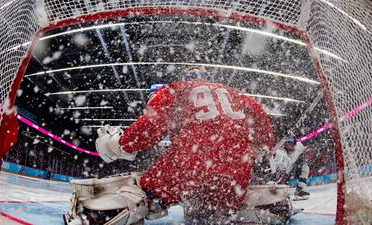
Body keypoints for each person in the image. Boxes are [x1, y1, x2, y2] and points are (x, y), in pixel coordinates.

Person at [96, 66, 274, 215]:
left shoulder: (178, 89)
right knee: (215, 211)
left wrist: (122, 144)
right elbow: (263, 127)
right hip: (236, 166)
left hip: (189, 161)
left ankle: (107, 214)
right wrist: (257, 151)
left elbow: (151, 125)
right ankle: (256, 210)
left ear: (186, 78)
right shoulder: (237, 95)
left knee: (143, 195)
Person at [270, 135, 310, 200]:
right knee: (280, 176)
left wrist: (308, 152)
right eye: (287, 143)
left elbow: (307, 149)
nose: (289, 145)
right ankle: (277, 191)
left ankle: (300, 190)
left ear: (295, 143)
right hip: (284, 171)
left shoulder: (299, 146)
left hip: (294, 168)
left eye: (291, 143)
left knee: (305, 167)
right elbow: (278, 168)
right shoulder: (280, 153)